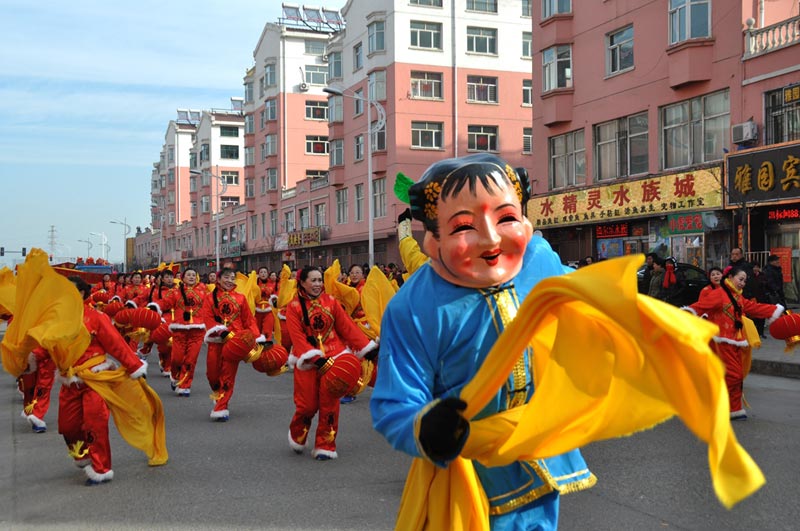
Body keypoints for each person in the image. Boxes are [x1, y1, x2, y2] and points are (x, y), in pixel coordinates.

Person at [370, 153, 594, 529]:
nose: (491, 239)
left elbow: (579, 298)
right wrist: (426, 428)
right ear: (433, 238)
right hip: (471, 471)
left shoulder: (538, 259)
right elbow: (396, 401)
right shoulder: (414, 307)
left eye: (505, 218)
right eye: (463, 226)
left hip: (538, 448)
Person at [62, 276, 167, 484]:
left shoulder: (96, 317)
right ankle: (82, 454)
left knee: (95, 423)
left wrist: (135, 366)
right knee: (67, 426)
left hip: (97, 379)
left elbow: (116, 343)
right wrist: (31, 357)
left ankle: (101, 468)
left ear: (81, 293)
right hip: (70, 380)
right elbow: (47, 345)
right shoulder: (57, 318)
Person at [285, 266, 377, 460]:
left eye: (320, 280)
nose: (318, 284)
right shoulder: (293, 307)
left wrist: (367, 348)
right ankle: (298, 433)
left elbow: (347, 327)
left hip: (335, 357)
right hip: (308, 361)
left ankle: (325, 445)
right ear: (302, 282)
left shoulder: (332, 302)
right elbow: (297, 336)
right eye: (313, 280)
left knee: (330, 404)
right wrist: (314, 358)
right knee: (307, 406)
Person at [684, 266, 784, 420]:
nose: (743, 283)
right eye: (740, 279)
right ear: (730, 277)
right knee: (734, 375)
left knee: (738, 376)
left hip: (737, 340)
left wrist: (775, 310)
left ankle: (735, 409)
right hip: (723, 341)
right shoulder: (718, 294)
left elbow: (753, 308)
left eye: (745, 280)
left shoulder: (738, 297)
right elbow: (699, 307)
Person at [200, 267, 261, 421]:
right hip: (216, 341)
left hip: (235, 342)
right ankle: (218, 392)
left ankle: (222, 406)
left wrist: (256, 338)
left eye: (232, 278)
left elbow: (248, 320)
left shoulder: (241, 298)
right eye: (226, 277)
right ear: (219, 279)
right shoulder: (209, 298)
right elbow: (207, 317)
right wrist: (218, 330)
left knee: (228, 375)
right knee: (212, 374)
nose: (230, 281)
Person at [150, 267, 207, 396]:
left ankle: (185, 385)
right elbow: (165, 302)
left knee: (191, 360)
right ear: (183, 278)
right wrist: (155, 307)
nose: (191, 277)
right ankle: (175, 376)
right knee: (177, 359)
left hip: (197, 331)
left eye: (193, 275)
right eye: (189, 275)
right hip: (179, 330)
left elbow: (211, 307)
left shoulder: (203, 292)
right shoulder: (176, 292)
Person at [751, 264, 769, 337]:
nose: (755, 268)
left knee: (761, 316)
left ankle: (761, 332)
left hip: (762, 298)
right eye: (754, 267)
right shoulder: (749, 276)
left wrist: (764, 284)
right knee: (753, 317)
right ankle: (754, 333)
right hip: (752, 299)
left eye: (757, 267)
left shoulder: (763, 276)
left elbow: (767, 286)